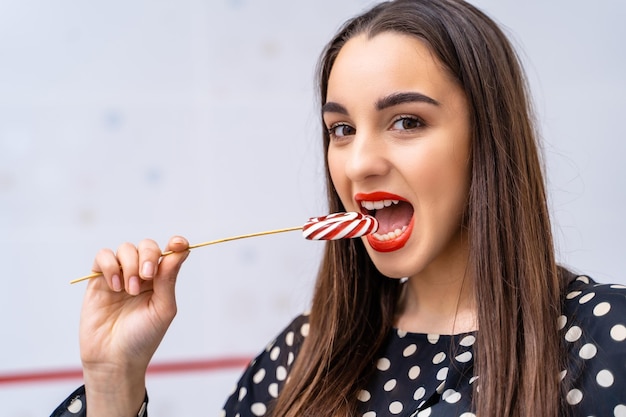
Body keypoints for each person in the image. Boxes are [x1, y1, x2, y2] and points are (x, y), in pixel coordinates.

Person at [51, 0, 626, 416]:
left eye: (406, 122)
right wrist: (112, 383)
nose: (359, 164)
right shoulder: (299, 358)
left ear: (489, 139)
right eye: (342, 129)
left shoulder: (605, 341)